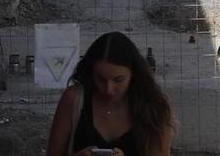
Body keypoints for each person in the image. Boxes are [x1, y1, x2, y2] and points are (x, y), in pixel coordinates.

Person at [45, 30, 175, 156]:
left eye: (119, 80)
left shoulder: (155, 107)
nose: (109, 89)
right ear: (91, 74)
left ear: (133, 74)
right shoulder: (74, 100)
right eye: (100, 79)